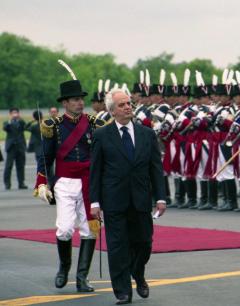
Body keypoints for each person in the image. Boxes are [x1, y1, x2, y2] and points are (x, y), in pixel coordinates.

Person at [90, 88, 166, 305]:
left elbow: (155, 169)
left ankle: (138, 272)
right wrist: (95, 202)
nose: (127, 107)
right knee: (117, 246)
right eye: (122, 105)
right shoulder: (101, 135)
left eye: (128, 103)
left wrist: (161, 198)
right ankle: (122, 290)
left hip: (141, 199)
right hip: (114, 201)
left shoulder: (147, 134)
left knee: (144, 243)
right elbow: (95, 171)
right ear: (112, 111)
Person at [34, 78, 105, 292]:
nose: (80, 103)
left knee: (90, 230)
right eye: (75, 100)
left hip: (89, 182)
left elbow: (103, 156)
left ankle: (82, 277)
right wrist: (42, 183)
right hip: (64, 183)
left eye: (81, 100)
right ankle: (63, 268)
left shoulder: (94, 123)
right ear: (65, 103)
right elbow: (45, 157)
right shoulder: (53, 126)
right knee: (64, 229)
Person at [3, 107, 27, 190]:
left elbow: (25, 126)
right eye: (13, 113)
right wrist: (10, 120)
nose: (15, 114)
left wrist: (19, 118)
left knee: (20, 166)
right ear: (10, 114)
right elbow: (5, 128)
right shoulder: (7, 122)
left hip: (20, 146)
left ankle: (21, 183)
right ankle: (7, 184)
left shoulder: (21, 122)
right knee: (8, 166)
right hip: (11, 147)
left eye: (16, 113)